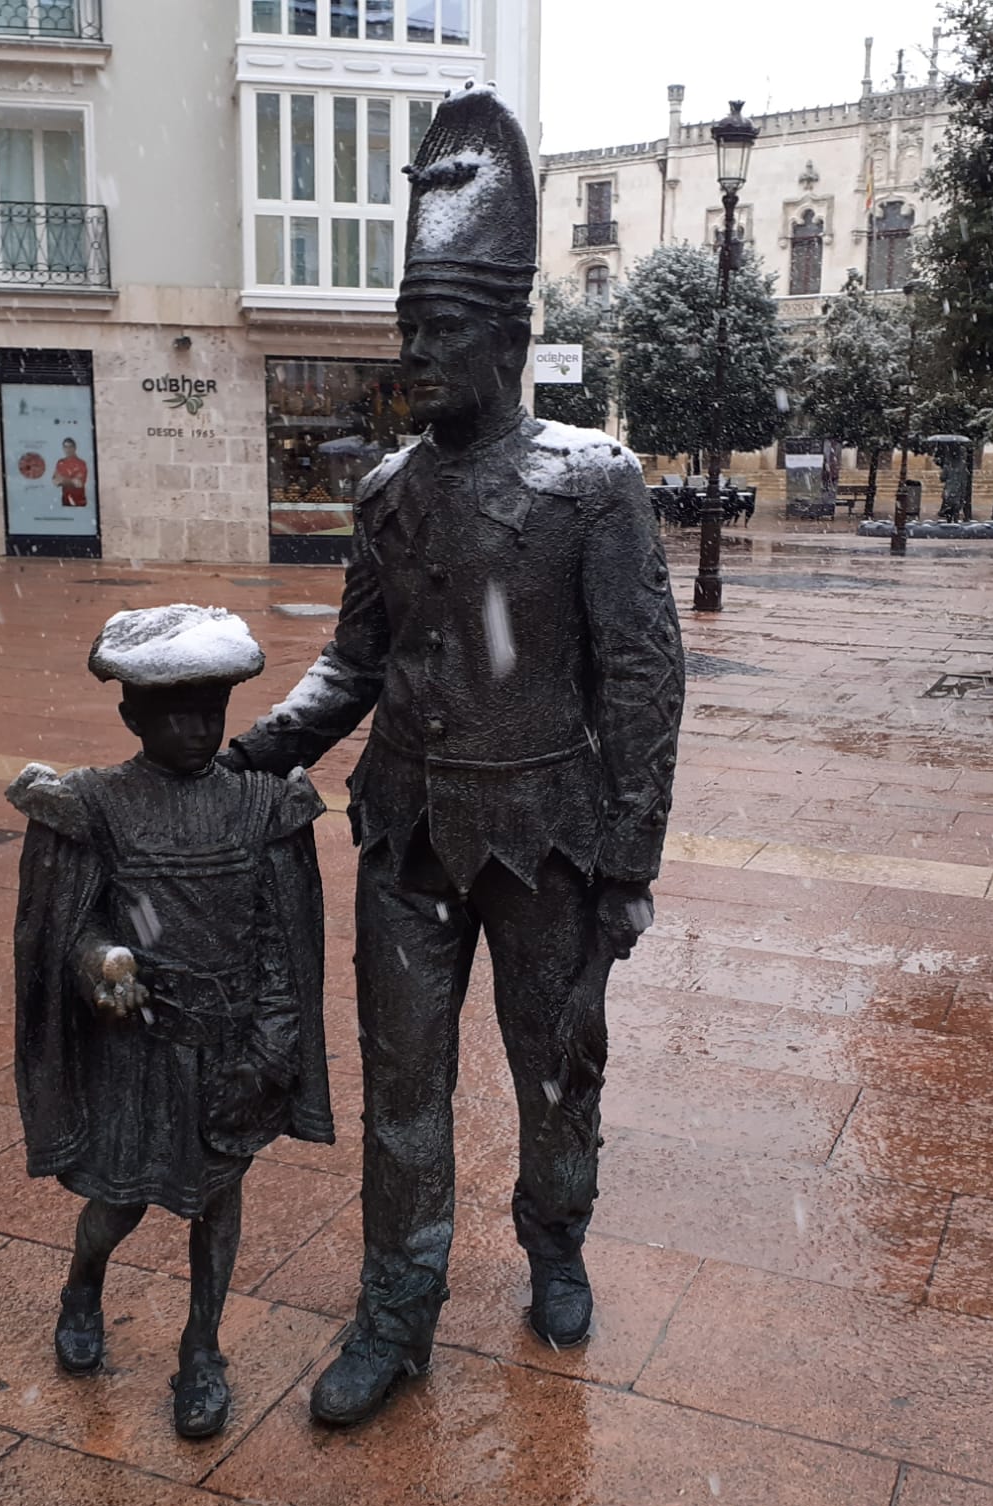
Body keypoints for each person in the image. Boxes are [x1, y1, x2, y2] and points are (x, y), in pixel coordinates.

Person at [225, 85, 684, 1428]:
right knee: (402, 1093)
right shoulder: (386, 491)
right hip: (409, 836)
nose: (416, 354)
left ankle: (555, 1245)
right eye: (406, 329)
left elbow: (644, 680)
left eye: (440, 331)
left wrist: (628, 862)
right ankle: (396, 1312)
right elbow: (355, 661)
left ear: (510, 335)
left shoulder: (592, 484)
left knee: (554, 1074)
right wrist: (265, 746)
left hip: (548, 843)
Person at [6, 604, 334, 1439]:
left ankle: (202, 1348)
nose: (196, 729)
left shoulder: (261, 806)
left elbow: (280, 940)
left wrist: (274, 1040)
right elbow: (68, 928)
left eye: (211, 710)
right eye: (174, 712)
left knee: (217, 1203)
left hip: (228, 1049)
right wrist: (101, 960)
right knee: (118, 1202)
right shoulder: (97, 805)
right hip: (137, 1049)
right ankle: (84, 1282)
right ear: (131, 715)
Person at [53, 438, 89, 508]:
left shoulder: (81, 463)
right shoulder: (60, 463)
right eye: (66, 447)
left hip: (79, 503)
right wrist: (72, 481)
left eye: (70, 447)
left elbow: (79, 483)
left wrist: (63, 480)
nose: (68, 449)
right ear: (63, 448)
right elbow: (55, 482)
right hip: (65, 502)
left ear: (75, 448)